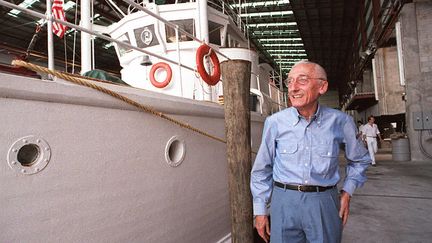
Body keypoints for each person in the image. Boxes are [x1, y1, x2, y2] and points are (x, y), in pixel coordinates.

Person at [250, 60, 371, 243]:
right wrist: (260, 210)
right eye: (290, 82)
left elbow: (360, 159)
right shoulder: (275, 122)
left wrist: (347, 193)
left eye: (302, 80)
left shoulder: (340, 121)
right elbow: (262, 169)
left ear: (322, 87)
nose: (293, 88)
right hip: (283, 202)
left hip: (324, 202)